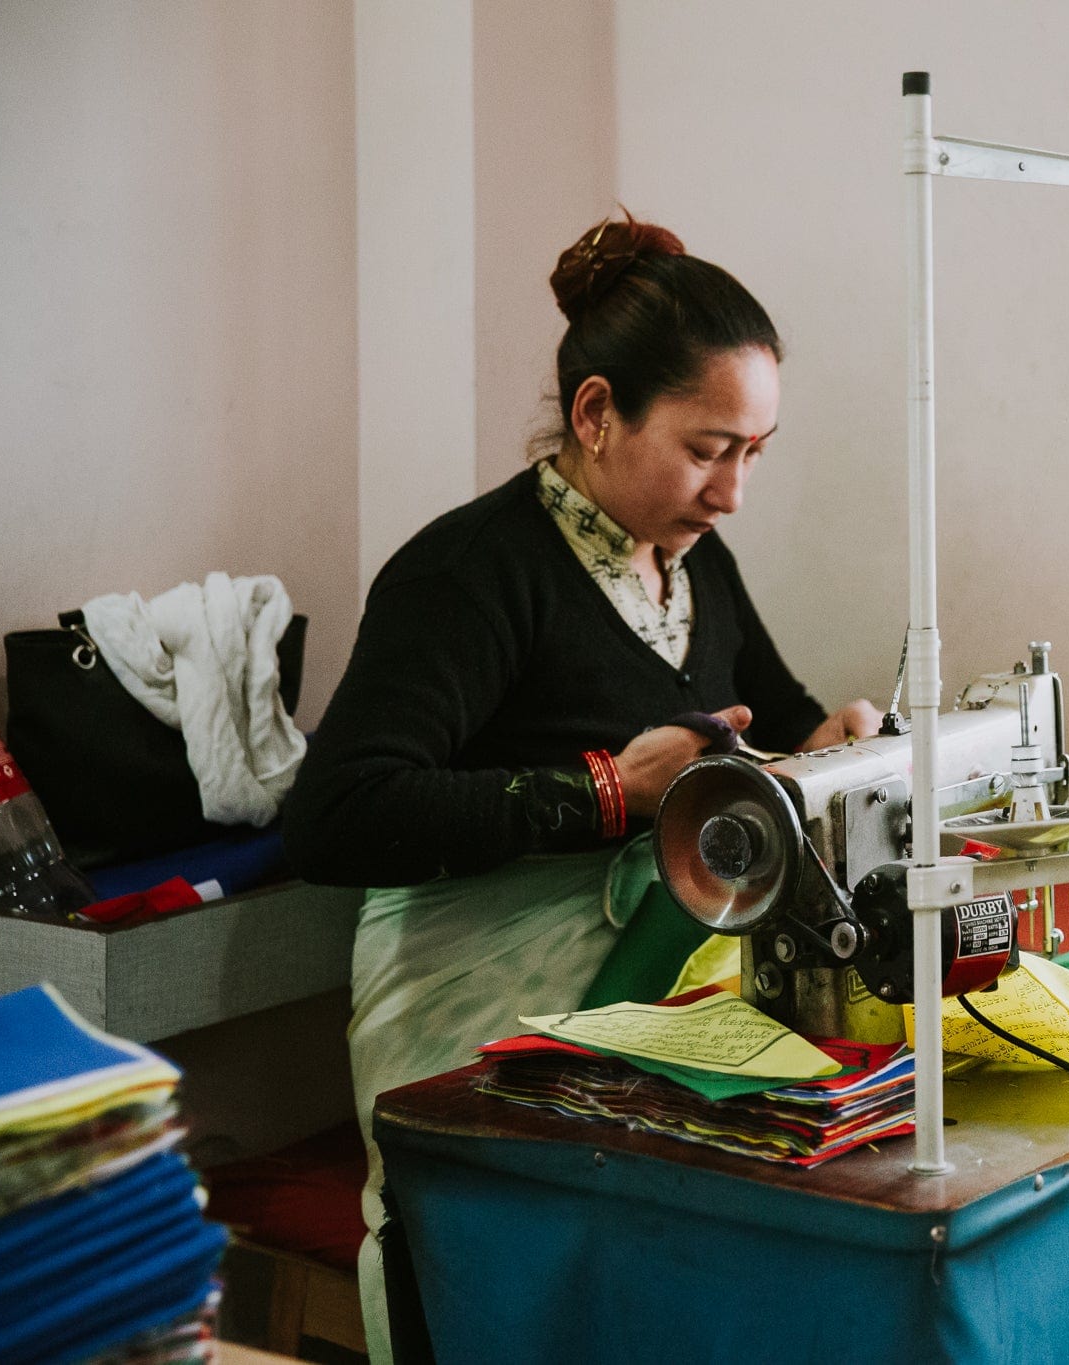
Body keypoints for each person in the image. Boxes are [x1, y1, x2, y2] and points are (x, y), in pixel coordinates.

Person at [281, 214, 880, 1361]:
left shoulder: (693, 564)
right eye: (708, 449)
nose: (732, 492)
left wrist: (835, 749)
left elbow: (779, 718)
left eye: (754, 453)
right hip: (477, 1003)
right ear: (598, 413)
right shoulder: (470, 573)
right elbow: (336, 816)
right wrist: (608, 793)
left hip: (651, 976)